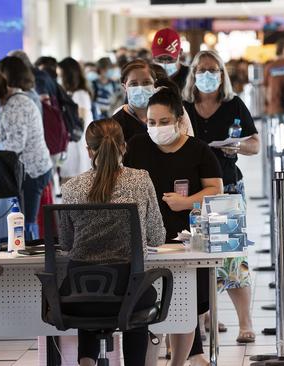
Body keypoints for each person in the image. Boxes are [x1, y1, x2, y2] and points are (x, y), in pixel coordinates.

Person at [124, 84, 223, 366]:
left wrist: (188, 201)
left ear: (180, 121)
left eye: (164, 122)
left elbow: (216, 189)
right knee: (147, 310)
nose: (157, 128)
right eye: (152, 122)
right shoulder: (137, 146)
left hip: (187, 243)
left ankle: (179, 362)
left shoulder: (198, 151)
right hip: (147, 242)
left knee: (186, 308)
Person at [60, 118, 165, 366]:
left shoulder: (71, 187)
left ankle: (86, 360)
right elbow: (157, 236)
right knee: (133, 304)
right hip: (129, 292)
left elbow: (66, 243)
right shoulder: (141, 180)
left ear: (88, 150)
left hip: (80, 294)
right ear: (124, 147)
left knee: (89, 291)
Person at [182, 49, 260, 344]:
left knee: (231, 257)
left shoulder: (233, 105)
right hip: (192, 192)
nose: (207, 75)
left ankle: (245, 322)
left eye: (212, 70)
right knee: (196, 257)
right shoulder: (184, 107)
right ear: (193, 75)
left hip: (226, 186)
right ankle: (204, 317)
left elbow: (255, 144)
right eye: (201, 70)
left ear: (222, 74)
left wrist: (236, 147)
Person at [0, 56, 53, 240]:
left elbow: (15, 145)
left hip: (31, 171)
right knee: (26, 219)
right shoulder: (19, 99)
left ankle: (31, 258)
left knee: (27, 221)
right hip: (32, 168)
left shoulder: (17, 103)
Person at [57, 57, 94, 179]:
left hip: (78, 144)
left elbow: (79, 122)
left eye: (61, 75)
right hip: (72, 143)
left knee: (75, 179)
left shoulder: (80, 94)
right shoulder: (70, 93)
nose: (59, 78)